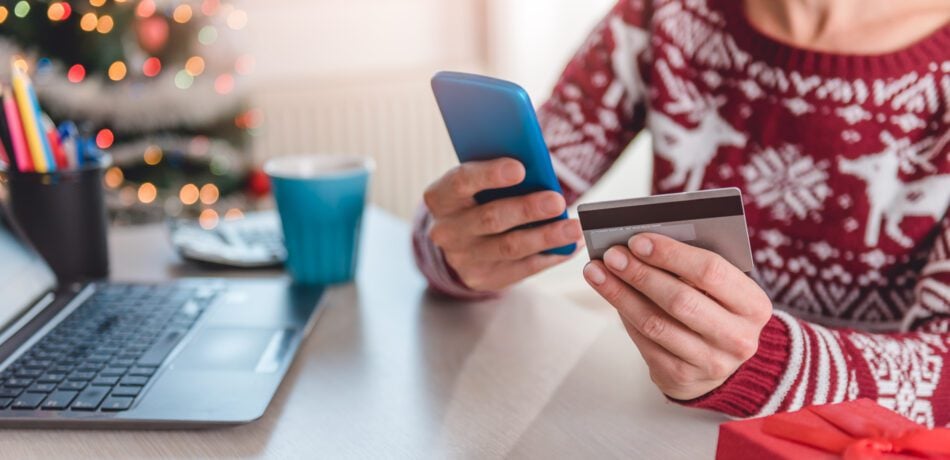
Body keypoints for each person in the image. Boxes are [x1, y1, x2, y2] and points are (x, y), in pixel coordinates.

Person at [413, 0, 950, 427]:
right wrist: (456, 249)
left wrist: (764, 365)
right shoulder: (663, 14)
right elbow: (507, 197)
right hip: (672, 432)